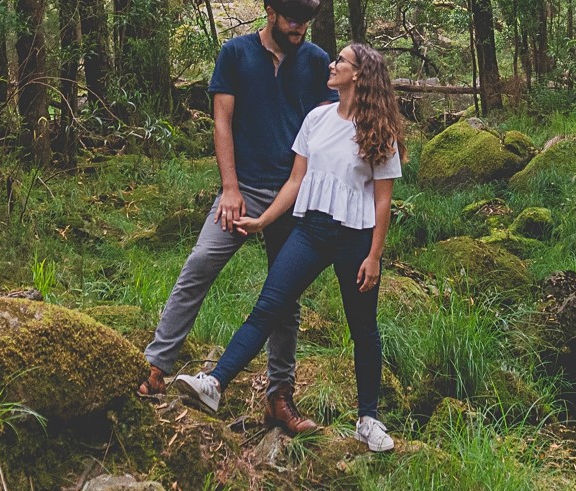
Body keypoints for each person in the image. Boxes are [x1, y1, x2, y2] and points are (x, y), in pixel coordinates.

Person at [172, 42, 406, 454]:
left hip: (356, 239)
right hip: (311, 230)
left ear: (358, 75)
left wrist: (374, 256)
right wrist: (263, 221)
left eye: (341, 62)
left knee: (364, 331)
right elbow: (296, 181)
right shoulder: (316, 118)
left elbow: (383, 200)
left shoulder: (378, 130)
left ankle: (367, 419)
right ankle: (214, 382)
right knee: (269, 307)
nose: (331, 65)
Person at [139, 0, 335, 436]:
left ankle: (279, 397)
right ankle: (157, 366)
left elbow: (330, 124)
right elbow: (222, 123)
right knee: (200, 263)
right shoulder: (236, 53)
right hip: (242, 187)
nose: (299, 30)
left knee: (284, 295)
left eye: (306, 22)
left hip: (294, 192)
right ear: (269, 12)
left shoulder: (316, 61)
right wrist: (230, 188)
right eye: (292, 20)